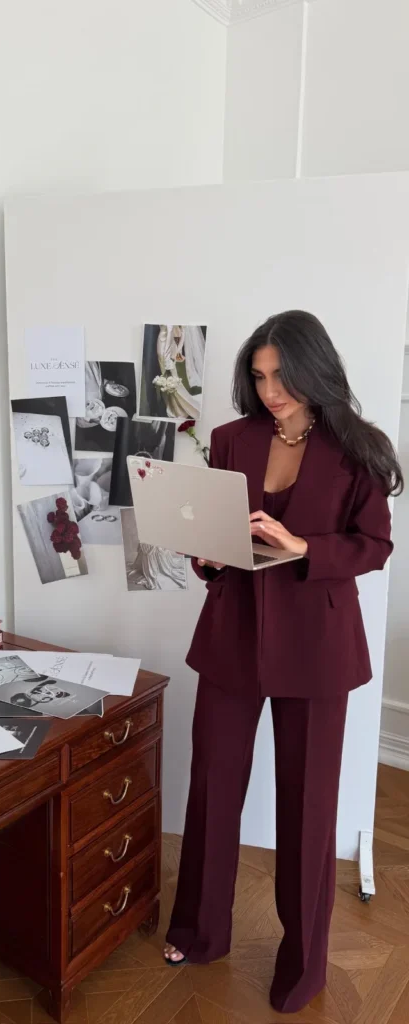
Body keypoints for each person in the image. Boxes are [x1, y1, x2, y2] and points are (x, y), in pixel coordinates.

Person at [164, 311, 402, 1014]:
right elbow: (214, 542)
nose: (270, 391)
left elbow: (374, 546)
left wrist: (302, 548)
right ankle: (199, 932)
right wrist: (208, 556)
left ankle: (303, 968)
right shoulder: (231, 439)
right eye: (259, 376)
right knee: (212, 789)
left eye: (282, 375)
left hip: (318, 650)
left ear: (314, 369)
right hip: (231, 636)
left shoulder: (359, 448)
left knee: (308, 808)